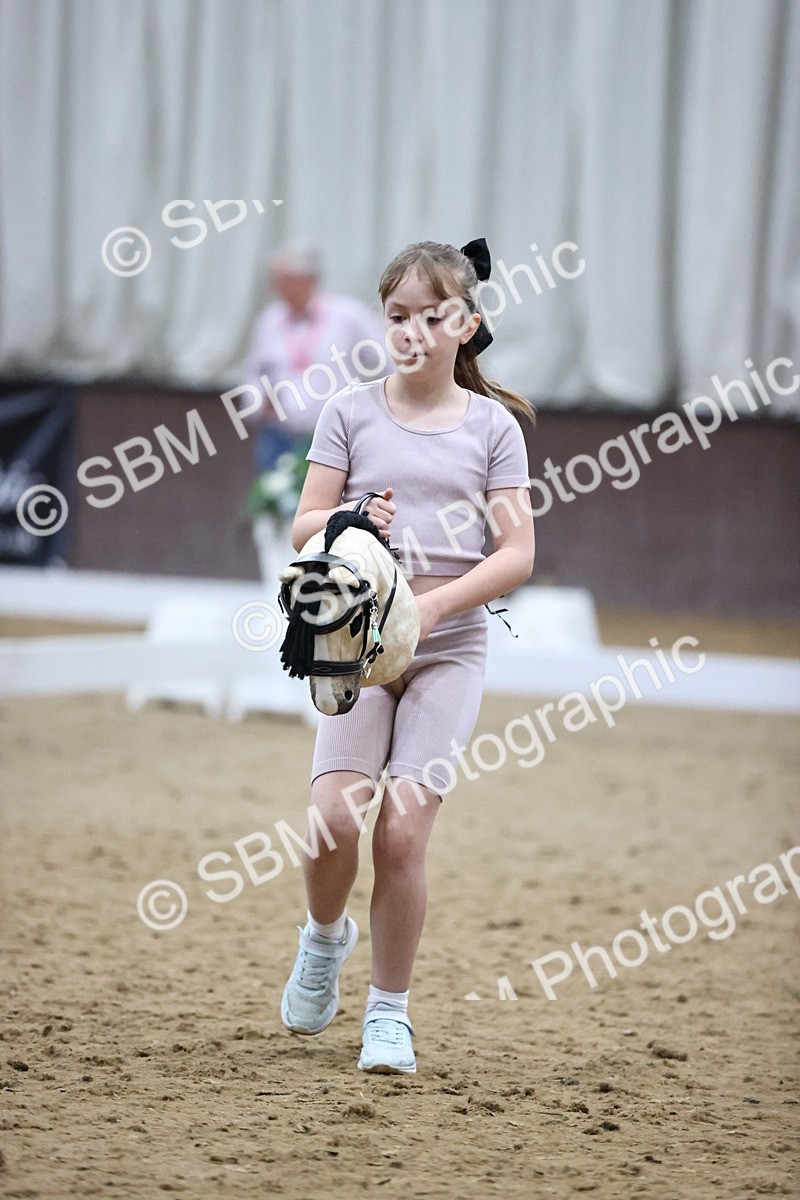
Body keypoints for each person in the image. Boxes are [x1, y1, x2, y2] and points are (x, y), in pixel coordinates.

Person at [280, 239, 535, 1074]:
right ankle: (325, 938)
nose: (413, 331)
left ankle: (388, 1013)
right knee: (330, 820)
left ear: (467, 323)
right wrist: (349, 517)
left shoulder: (495, 428)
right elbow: (302, 524)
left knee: (401, 833)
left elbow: (515, 554)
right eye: (398, 316)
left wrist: (426, 610)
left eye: (433, 315)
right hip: (352, 646)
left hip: (445, 646)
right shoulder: (349, 412)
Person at [243, 241, 389, 471]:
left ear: (308, 280)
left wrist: (374, 407)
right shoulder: (269, 321)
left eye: (286, 281)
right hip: (279, 435)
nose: (279, 289)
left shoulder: (348, 316)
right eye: (277, 281)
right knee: (273, 501)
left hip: (336, 433)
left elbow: (385, 361)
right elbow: (253, 374)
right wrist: (258, 403)